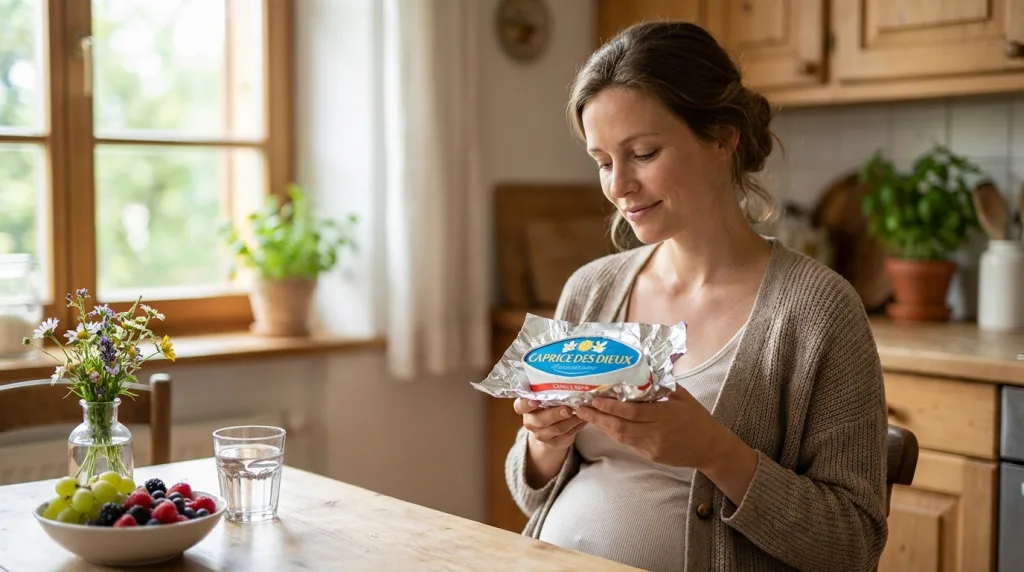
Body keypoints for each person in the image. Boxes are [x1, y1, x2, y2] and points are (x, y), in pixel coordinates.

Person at [503, 20, 888, 572]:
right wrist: (544, 444)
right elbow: (530, 493)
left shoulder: (818, 311)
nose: (618, 187)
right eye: (603, 163)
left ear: (722, 138)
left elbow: (852, 543)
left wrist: (716, 452)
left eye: (643, 152)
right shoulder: (590, 289)